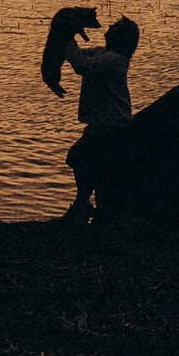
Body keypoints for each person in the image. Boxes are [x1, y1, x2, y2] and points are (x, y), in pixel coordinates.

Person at [53, 14, 140, 224]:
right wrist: (67, 40)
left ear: (121, 37)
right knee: (94, 166)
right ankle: (88, 208)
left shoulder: (114, 60)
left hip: (110, 126)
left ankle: (84, 206)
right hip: (104, 125)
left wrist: (66, 38)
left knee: (80, 157)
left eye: (116, 27)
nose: (110, 26)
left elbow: (82, 65)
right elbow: (80, 56)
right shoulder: (104, 54)